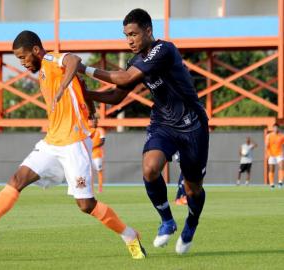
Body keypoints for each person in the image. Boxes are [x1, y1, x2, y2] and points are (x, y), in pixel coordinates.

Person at [0, 30, 146, 259]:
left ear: (36, 50)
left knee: (86, 205)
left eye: (23, 57)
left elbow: (74, 60)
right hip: (52, 142)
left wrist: (64, 86)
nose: (23, 63)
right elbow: (81, 88)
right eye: (19, 59)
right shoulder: (43, 72)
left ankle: (129, 235)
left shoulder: (50, 59)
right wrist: (91, 110)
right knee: (18, 179)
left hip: (74, 143)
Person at [79, 8, 209, 255]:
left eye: (133, 34)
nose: (129, 40)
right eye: (126, 35)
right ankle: (167, 221)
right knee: (150, 168)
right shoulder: (135, 61)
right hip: (163, 123)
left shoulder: (164, 50)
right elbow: (117, 96)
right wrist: (87, 94)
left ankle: (192, 222)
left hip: (193, 126)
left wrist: (84, 69)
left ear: (148, 30)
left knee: (193, 189)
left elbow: (126, 79)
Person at [265, 124, 284, 188]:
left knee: (281, 166)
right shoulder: (269, 136)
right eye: (274, 128)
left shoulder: (282, 136)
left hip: (279, 154)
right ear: (273, 128)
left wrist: (283, 152)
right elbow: (266, 146)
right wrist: (267, 154)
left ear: (278, 128)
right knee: (271, 169)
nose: (276, 129)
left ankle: (280, 182)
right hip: (271, 154)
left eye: (277, 128)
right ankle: (271, 183)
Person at [91, 126, 106, 192]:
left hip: (97, 154)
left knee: (99, 171)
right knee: (89, 172)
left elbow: (102, 142)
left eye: (95, 119)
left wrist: (93, 146)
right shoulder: (88, 129)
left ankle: (100, 188)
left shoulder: (100, 130)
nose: (93, 121)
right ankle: (91, 189)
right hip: (89, 155)